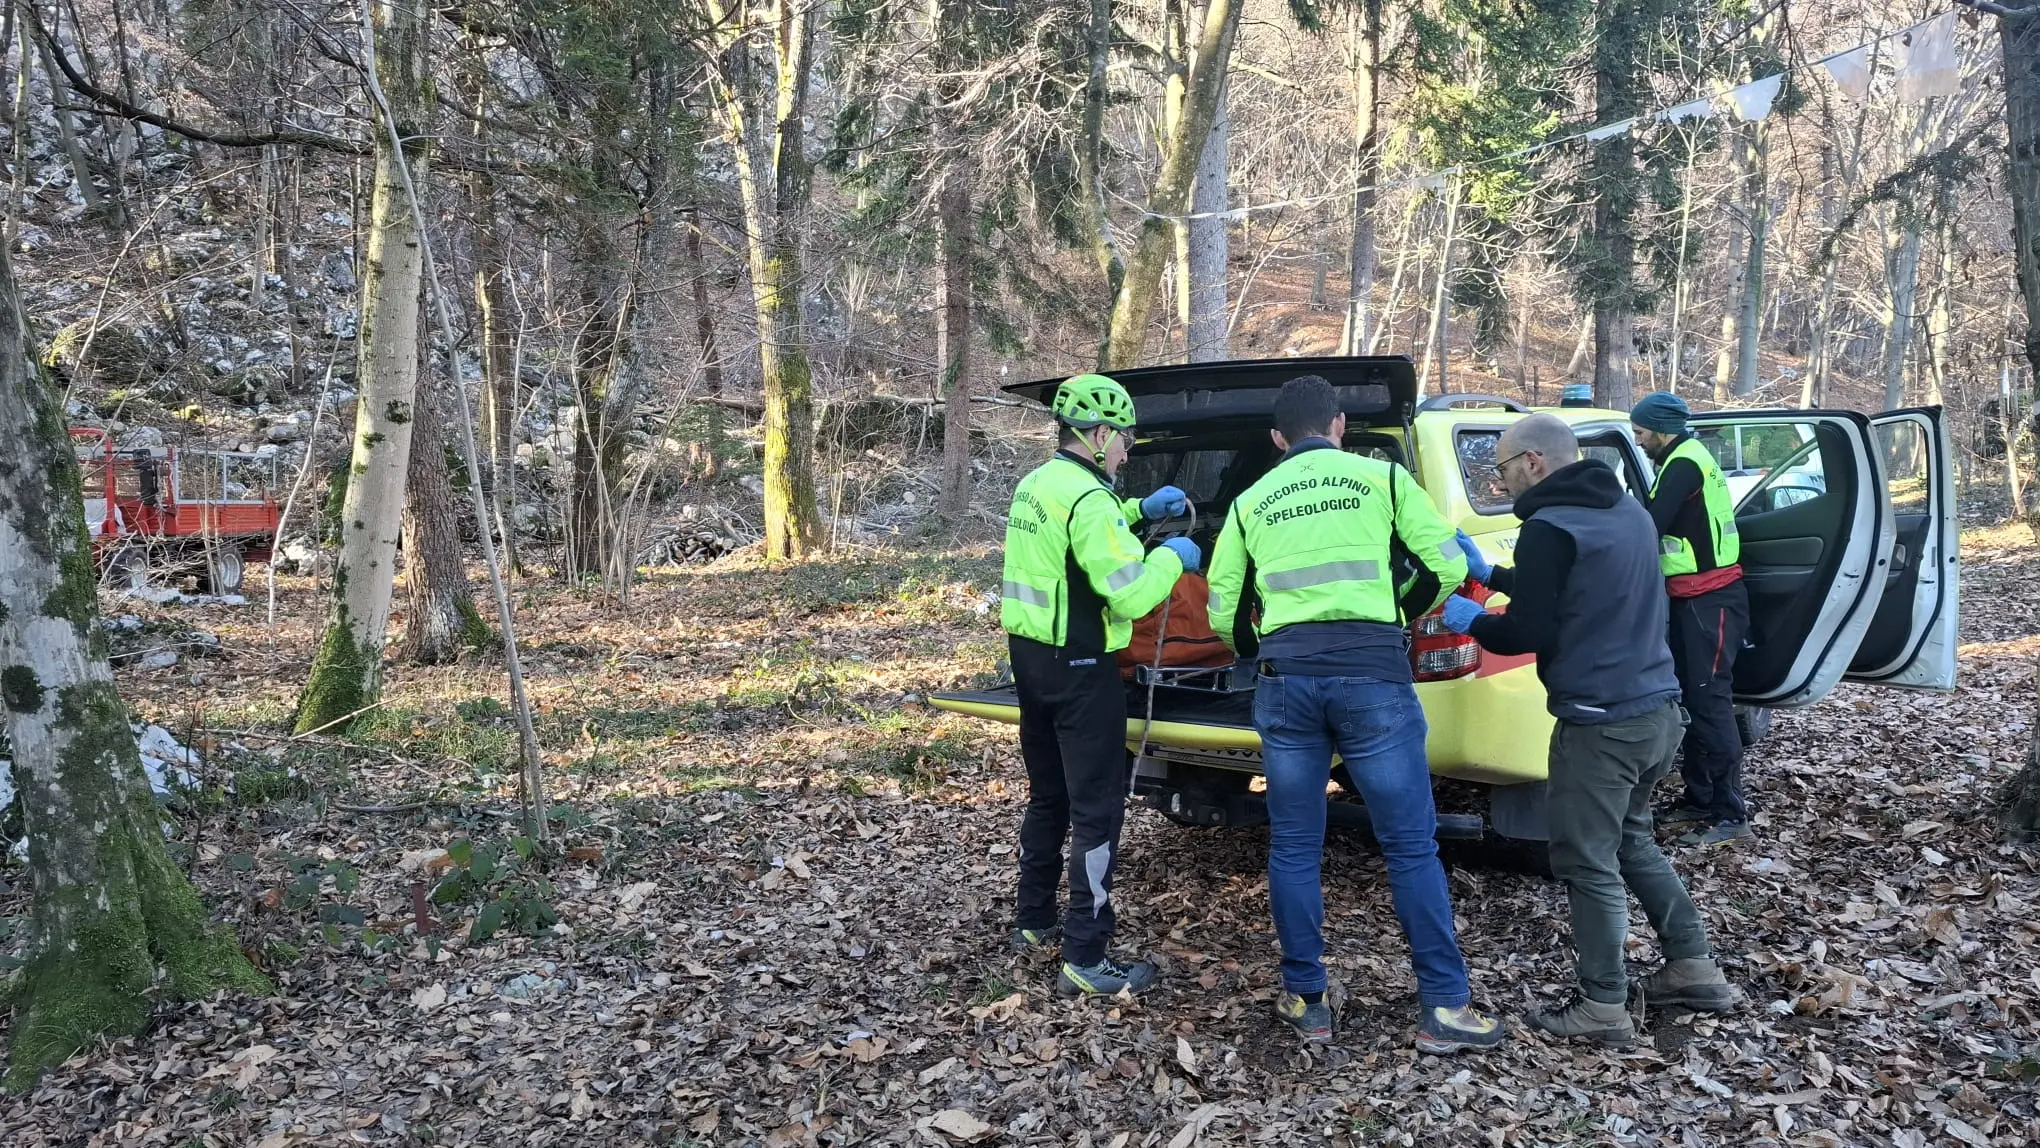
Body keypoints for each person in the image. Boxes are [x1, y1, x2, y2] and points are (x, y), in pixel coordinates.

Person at [1205, 374, 1504, 1053]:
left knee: (1293, 845)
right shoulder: (1385, 480)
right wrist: (1398, 614)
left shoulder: (1250, 502)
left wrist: (1257, 648)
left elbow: (1224, 607)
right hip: (1374, 676)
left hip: (1287, 679)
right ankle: (1445, 1008)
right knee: (1410, 845)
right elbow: (1445, 567)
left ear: (1277, 438)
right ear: (1339, 425)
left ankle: (1307, 1001)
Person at [1440, 414, 1735, 1044]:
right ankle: (1694, 967)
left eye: (1503, 467)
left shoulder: (1548, 527)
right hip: (1657, 711)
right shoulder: (1627, 510)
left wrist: (1472, 619)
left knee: (1585, 860)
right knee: (1632, 840)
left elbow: (1527, 630)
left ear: (1534, 462)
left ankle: (1603, 1005)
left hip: (1601, 725)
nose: (1501, 480)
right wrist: (1491, 576)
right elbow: (1571, 588)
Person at [1000, 372, 1199, 998]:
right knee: (1097, 813)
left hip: (1032, 663)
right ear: (1099, 433)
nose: (1128, 450)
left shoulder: (1038, 484)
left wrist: (1138, 511)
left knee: (1048, 798)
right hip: (1083, 671)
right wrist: (1171, 557)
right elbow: (1130, 594)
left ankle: (1033, 920)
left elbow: (1077, 541)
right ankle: (1086, 955)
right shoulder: (1088, 500)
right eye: (1125, 438)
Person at [1630, 392, 1751, 848]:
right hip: (1692, 596)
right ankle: (1699, 799)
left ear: (1662, 430)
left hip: (1711, 599)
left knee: (1710, 701)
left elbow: (1649, 525)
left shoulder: (1683, 463)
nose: (1638, 441)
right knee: (1693, 699)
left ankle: (1731, 813)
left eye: (1641, 432)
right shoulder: (1685, 456)